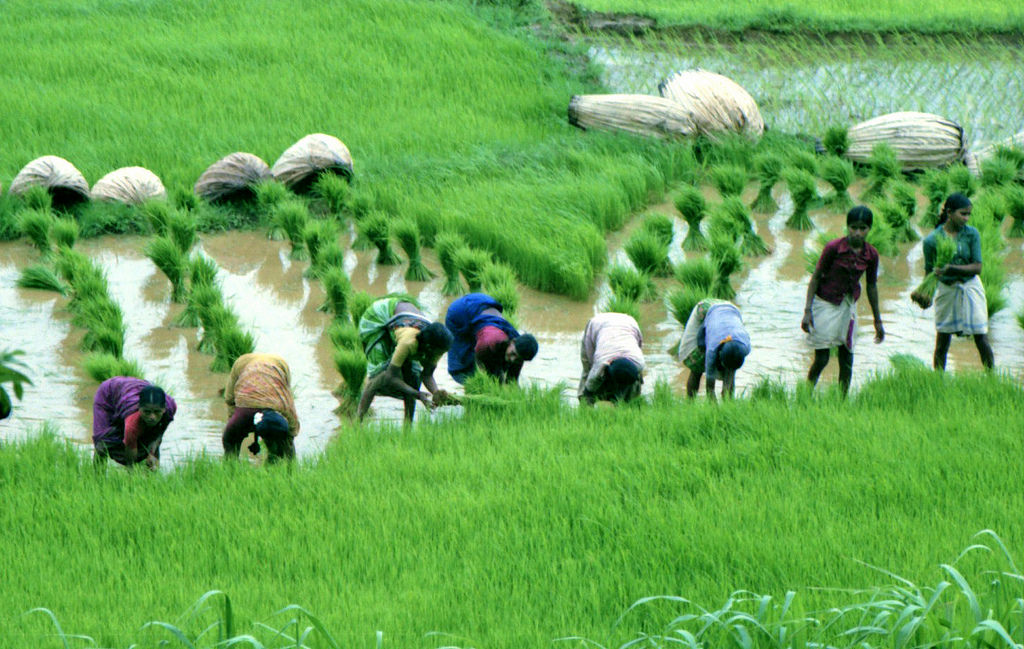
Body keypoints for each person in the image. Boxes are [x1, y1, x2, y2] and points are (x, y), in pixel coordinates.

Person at [802, 205, 885, 394]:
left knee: (847, 356)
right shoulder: (834, 248)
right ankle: (805, 394)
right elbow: (815, 277)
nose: (857, 232)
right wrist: (807, 311)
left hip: (848, 305)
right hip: (825, 303)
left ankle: (842, 401)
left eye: (862, 228)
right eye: (853, 227)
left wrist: (877, 320)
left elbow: (871, 286)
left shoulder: (871, 255)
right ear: (847, 227)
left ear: (869, 229)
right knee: (822, 358)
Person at [921, 193, 994, 371]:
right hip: (947, 289)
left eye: (969, 214)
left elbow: (977, 267)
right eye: (963, 214)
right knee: (942, 339)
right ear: (949, 213)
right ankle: (938, 380)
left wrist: (951, 269)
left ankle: (992, 377)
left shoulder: (971, 234)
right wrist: (925, 293)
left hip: (970, 286)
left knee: (980, 336)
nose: (966, 218)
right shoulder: (932, 240)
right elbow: (929, 271)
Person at [357, 296, 453, 422]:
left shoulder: (439, 346)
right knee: (379, 376)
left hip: (405, 318)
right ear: (429, 347)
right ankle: (358, 421)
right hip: (378, 316)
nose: (440, 355)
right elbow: (391, 377)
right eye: (440, 352)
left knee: (413, 378)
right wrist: (418, 394)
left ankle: (407, 428)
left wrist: (437, 393)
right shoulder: (408, 342)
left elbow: (427, 375)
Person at [444, 293, 538, 385]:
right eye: (513, 354)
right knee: (463, 363)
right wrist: (492, 380)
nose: (513, 359)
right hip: (460, 312)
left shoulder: (520, 350)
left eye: (517, 359)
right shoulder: (489, 341)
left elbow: (512, 381)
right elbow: (482, 367)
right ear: (512, 342)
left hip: (483, 306)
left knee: (498, 365)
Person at [222, 352, 300, 463]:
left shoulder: (240, 362)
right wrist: (290, 435)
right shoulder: (281, 363)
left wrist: (234, 424)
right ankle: (289, 472)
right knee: (282, 449)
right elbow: (288, 403)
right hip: (274, 411)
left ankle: (230, 473)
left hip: (245, 409)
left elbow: (229, 398)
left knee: (230, 441)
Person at [92, 376, 176, 469]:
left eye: (157, 412)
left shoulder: (170, 408)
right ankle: (97, 476)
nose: (152, 417)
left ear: (164, 409)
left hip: (131, 388)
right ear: (139, 408)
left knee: (152, 436)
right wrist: (131, 472)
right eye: (147, 412)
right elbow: (130, 454)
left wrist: (152, 453)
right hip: (108, 393)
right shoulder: (132, 423)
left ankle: (152, 474)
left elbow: (158, 434)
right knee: (102, 444)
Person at [678, 299, 751, 399]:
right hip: (706, 310)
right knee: (697, 365)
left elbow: (731, 367)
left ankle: (728, 402)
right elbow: (710, 381)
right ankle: (690, 403)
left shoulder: (745, 347)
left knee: (730, 369)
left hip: (731, 310)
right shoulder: (713, 347)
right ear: (720, 352)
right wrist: (711, 397)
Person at [578, 312, 645, 405]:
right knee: (588, 370)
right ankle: (584, 408)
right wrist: (587, 399)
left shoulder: (639, 362)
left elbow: (638, 380)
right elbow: (589, 387)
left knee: (634, 385)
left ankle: (628, 404)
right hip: (598, 324)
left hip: (629, 323)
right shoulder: (601, 363)